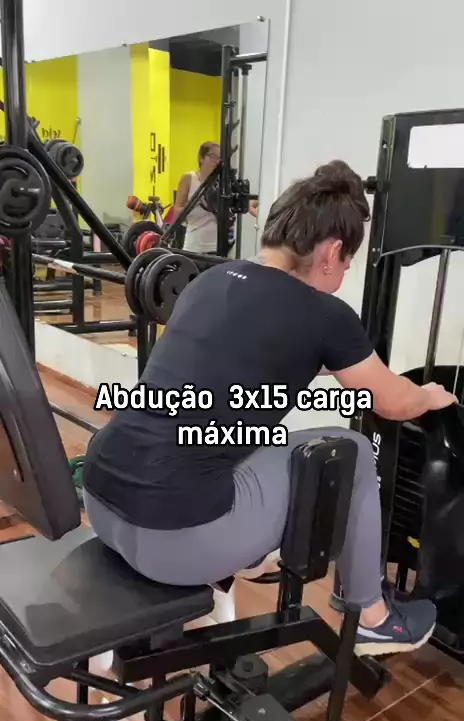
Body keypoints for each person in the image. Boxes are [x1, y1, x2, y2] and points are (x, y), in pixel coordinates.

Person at [82, 160, 457, 659]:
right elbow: (392, 403)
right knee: (349, 450)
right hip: (175, 542)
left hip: (102, 503)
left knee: (246, 434)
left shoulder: (208, 282)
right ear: (331, 252)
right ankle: (373, 617)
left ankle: (250, 547)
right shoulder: (324, 314)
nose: (346, 272)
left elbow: (240, 365)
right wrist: (431, 395)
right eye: (348, 262)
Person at [172, 141, 221, 255]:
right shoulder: (189, 178)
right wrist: (195, 203)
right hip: (194, 246)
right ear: (201, 158)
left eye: (219, 158)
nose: (216, 161)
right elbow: (177, 213)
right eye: (213, 156)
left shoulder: (221, 183)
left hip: (217, 246)